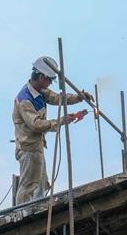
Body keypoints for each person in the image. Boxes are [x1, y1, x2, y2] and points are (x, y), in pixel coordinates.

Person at [12, 56, 93, 204]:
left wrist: (79, 97)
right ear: (41, 77)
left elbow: (58, 98)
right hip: (28, 149)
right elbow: (35, 125)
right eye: (49, 80)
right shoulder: (25, 99)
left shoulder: (40, 91)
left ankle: (38, 214)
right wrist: (60, 121)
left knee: (42, 185)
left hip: (37, 147)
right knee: (28, 187)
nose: (50, 84)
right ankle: (21, 217)